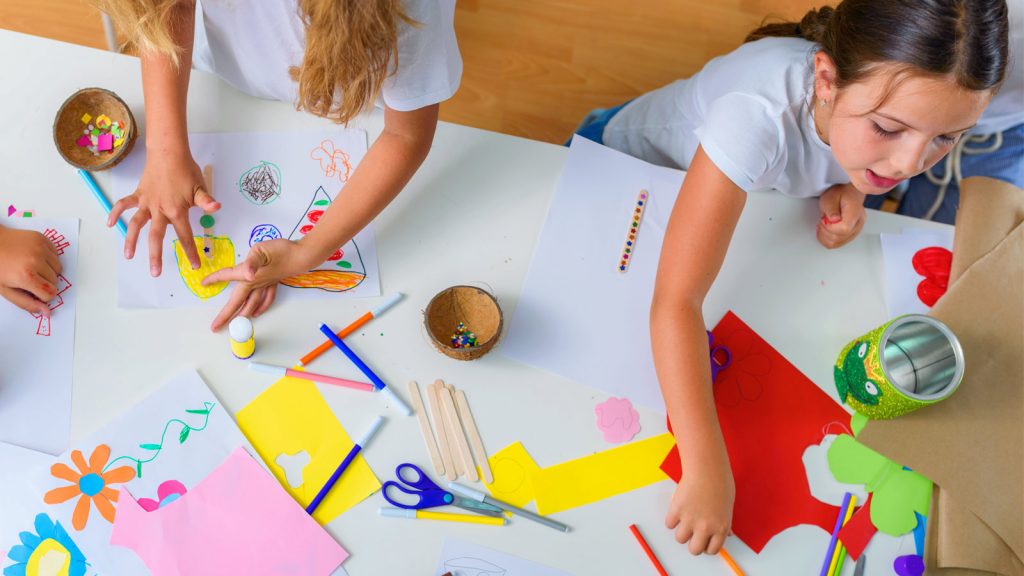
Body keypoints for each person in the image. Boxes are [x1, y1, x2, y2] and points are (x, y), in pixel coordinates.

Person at [573, 0, 1008, 555]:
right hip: (616, 170)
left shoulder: (863, 110)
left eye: (946, 138)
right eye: (888, 129)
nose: (908, 165)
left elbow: (839, 145)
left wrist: (850, 184)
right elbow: (675, 303)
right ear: (826, 80)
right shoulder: (754, 117)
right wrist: (706, 468)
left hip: (745, 195)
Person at [98, 0, 461, 330]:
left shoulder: (411, 7)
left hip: (353, 110)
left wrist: (308, 251)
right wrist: (164, 148)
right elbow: (169, 6)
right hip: (223, 74)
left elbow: (406, 135)